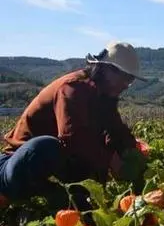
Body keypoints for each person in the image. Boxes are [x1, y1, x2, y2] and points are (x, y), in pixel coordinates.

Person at [0, 41, 148, 211]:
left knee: (76, 200)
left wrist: (133, 153)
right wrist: (111, 160)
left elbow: (116, 130)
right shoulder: (73, 88)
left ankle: (47, 198)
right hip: (18, 164)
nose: (125, 85)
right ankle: (4, 194)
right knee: (45, 146)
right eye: (125, 78)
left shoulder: (105, 95)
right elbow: (73, 138)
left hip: (49, 169)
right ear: (107, 70)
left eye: (130, 81)